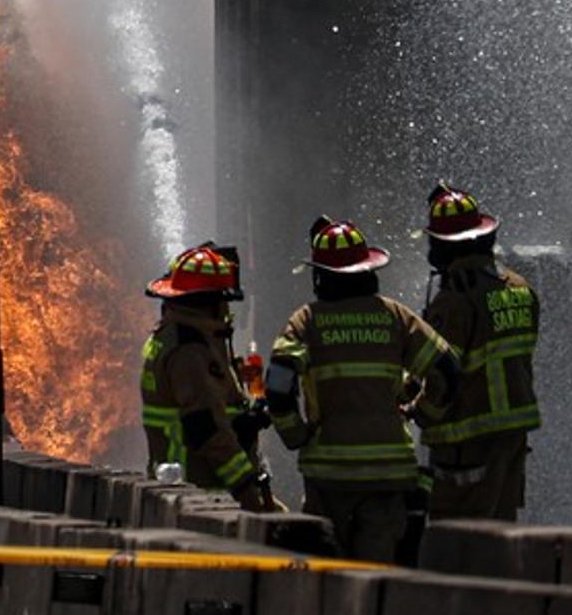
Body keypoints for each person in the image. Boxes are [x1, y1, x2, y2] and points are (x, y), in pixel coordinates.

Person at [264, 217, 459, 564]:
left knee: (328, 574)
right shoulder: (394, 317)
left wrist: (295, 434)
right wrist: (423, 413)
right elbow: (447, 369)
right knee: (376, 575)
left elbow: (278, 384)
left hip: (328, 476)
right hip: (388, 475)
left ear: (319, 275)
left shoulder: (306, 321)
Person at [416, 185, 542, 523]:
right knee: (501, 534)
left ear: (445, 247)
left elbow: (442, 374)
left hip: (467, 442)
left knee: (459, 540)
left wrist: (420, 411)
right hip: (513, 436)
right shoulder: (519, 287)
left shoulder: (455, 301)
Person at [138, 242, 279, 511]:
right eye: (223, 300)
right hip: (201, 491)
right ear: (210, 303)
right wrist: (245, 487)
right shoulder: (189, 350)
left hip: (181, 488)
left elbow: (201, 398)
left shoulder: (174, 338)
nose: (227, 309)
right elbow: (205, 428)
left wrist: (242, 415)